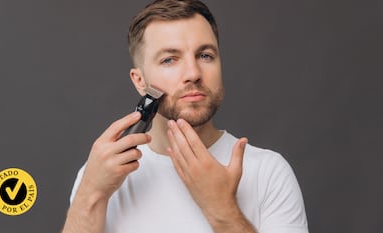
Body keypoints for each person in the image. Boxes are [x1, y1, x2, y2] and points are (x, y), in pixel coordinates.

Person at [62, 0, 309, 232]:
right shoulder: (99, 174)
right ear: (140, 81)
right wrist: (91, 193)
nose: (193, 73)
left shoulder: (268, 172)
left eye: (205, 56)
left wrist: (222, 209)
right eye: (169, 59)